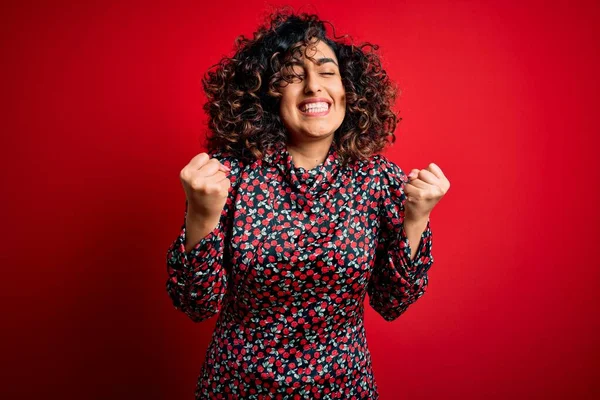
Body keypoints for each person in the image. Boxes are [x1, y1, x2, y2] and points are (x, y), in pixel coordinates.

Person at [166, 8, 450, 399]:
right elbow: (195, 304)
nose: (314, 86)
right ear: (268, 93)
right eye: (293, 76)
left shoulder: (380, 180)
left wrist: (417, 219)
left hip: (343, 387)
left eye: (326, 71)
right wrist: (201, 213)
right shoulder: (227, 178)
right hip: (237, 387)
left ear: (349, 89)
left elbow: (391, 303)